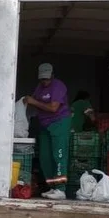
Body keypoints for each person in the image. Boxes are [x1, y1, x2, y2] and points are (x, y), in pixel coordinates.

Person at [24, 63, 71, 200]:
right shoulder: (39, 88)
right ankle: (52, 187)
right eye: (42, 79)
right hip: (44, 125)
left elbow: (53, 108)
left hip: (59, 123)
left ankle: (61, 189)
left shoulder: (58, 86)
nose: (45, 82)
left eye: (47, 79)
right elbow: (33, 100)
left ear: (52, 76)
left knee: (59, 155)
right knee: (45, 157)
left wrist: (33, 102)